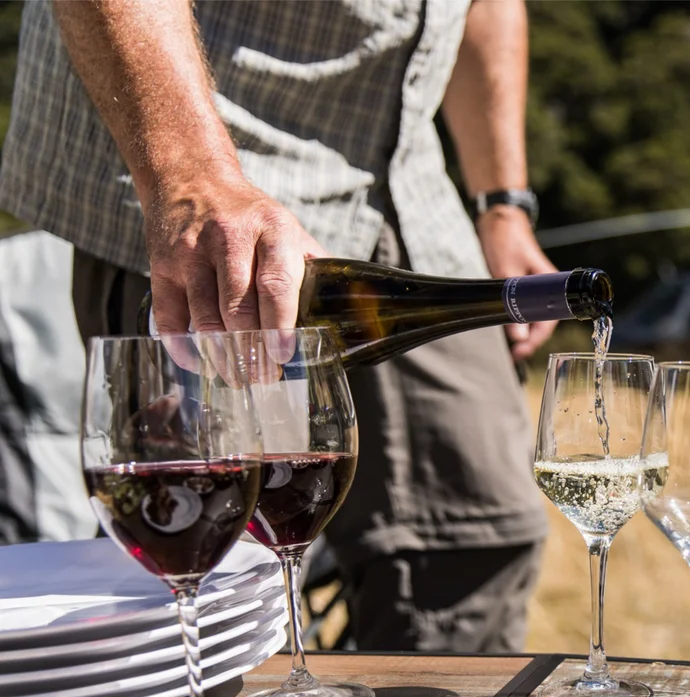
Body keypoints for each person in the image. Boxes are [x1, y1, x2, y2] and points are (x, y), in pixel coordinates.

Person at [0, 0, 556, 653]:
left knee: (478, 540)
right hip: (211, 195)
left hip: (409, 196)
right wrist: (190, 180)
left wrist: (501, 203)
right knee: (206, 552)